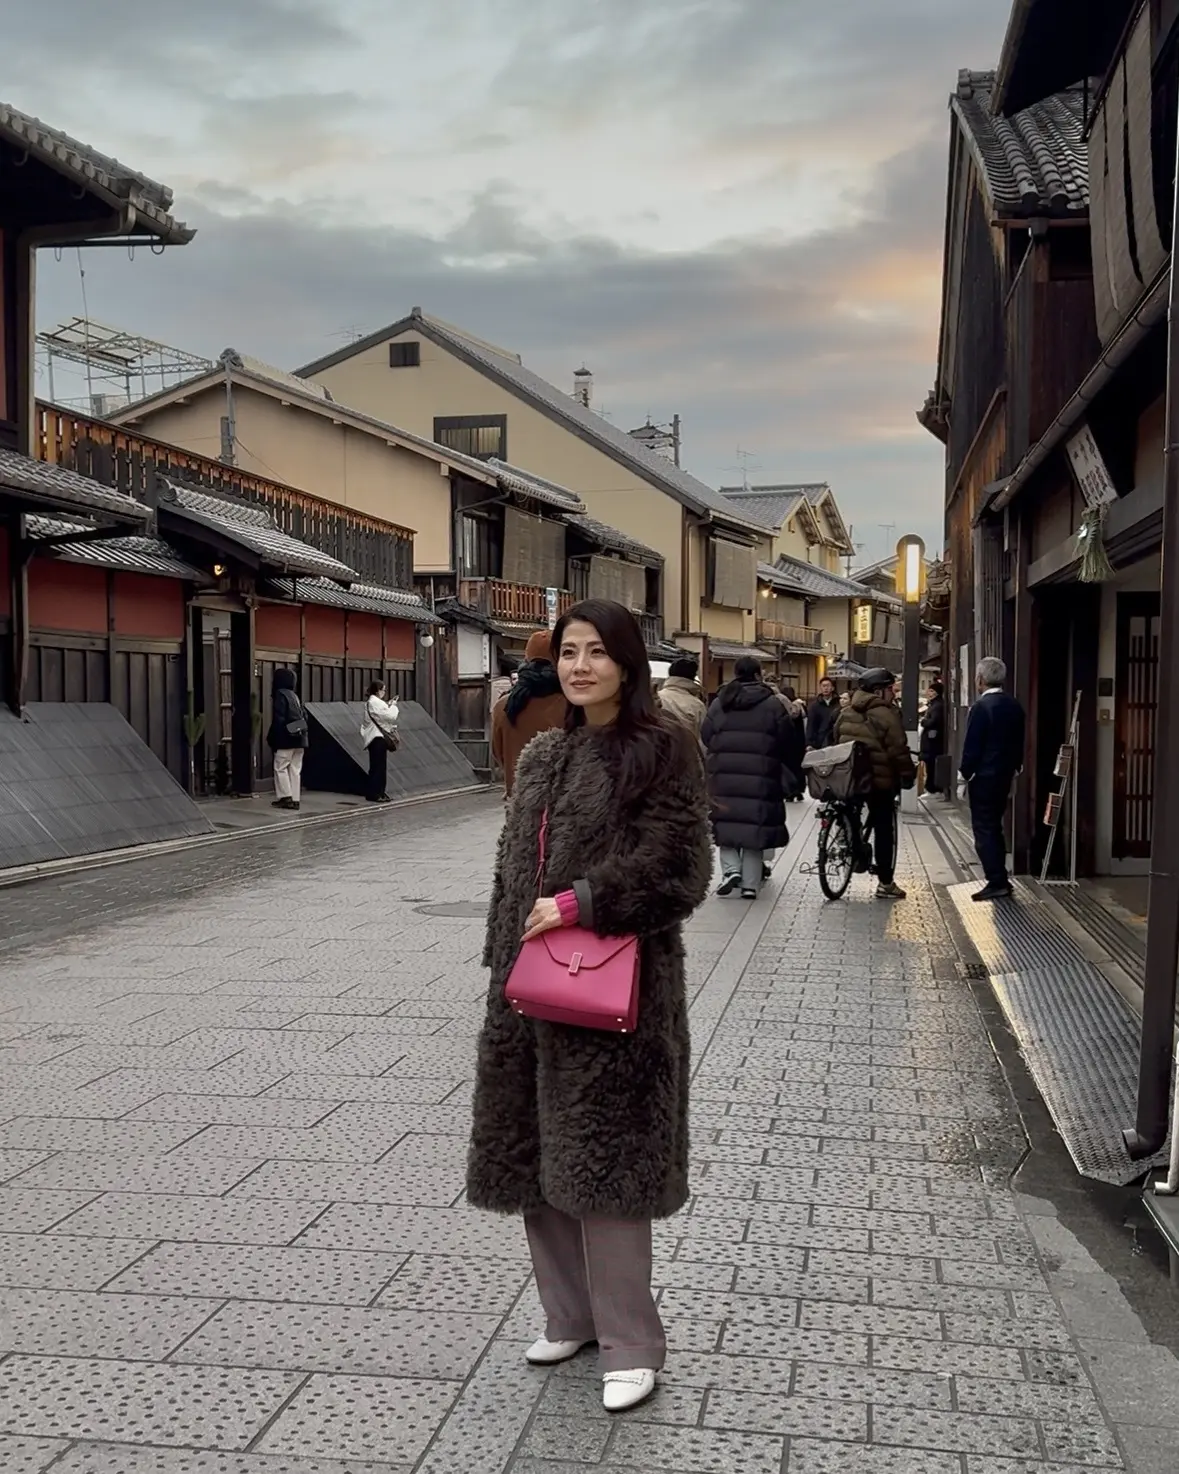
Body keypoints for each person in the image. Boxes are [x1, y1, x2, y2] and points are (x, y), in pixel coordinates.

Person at [468, 598, 712, 1415]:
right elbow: (511, 873)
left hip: (618, 991)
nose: (578, 666)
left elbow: (678, 869)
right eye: (568, 651)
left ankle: (632, 1344)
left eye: (596, 652)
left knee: (606, 1169)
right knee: (537, 1164)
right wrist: (501, 958)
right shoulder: (541, 755)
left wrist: (582, 901)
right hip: (529, 989)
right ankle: (568, 1317)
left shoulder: (660, 748)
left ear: (628, 662)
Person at [701, 656, 804, 900]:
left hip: (723, 774)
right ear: (758, 674)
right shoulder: (771, 704)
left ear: (735, 673)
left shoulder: (720, 702)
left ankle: (730, 871)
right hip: (761, 775)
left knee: (725, 824)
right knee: (754, 829)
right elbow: (787, 739)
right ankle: (749, 885)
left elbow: (706, 735)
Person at [835, 667, 915, 900]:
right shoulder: (887, 714)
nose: (894, 693)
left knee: (850, 810)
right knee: (883, 827)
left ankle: (852, 842)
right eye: (891, 689)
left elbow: (834, 739)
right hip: (879, 781)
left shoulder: (846, 711)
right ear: (879, 691)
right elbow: (898, 750)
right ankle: (885, 883)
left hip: (849, 778)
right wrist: (907, 775)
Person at [960, 656, 1026, 901]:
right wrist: (1016, 768)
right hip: (1005, 775)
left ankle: (996, 879)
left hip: (984, 777)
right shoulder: (1014, 705)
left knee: (984, 829)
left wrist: (963, 775)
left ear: (980, 679)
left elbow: (972, 746)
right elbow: (1019, 742)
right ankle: (1000, 878)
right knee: (995, 826)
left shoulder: (981, 707)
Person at [491, 630, 568, 796]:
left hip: (519, 804)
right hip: (562, 804)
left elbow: (498, 754)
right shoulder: (573, 705)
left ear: (526, 660)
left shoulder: (504, 706)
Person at [267, 668, 308, 811]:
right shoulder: (295, 696)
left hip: (286, 738)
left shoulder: (280, 695)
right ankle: (295, 798)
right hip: (300, 737)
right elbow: (304, 716)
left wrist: (275, 738)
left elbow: (279, 719)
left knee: (280, 766)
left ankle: (286, 797)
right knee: (295, 769)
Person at [359, 680, 400, 803]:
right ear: (377, 690)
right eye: (383, 690)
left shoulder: (373, 703)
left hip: (375, 737)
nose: (384, 692)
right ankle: (376, 793)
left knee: (378, 766)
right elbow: (390, 716)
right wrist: (393, 706)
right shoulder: (374, 702)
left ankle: (379, 792)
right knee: (378, 767)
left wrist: (388, 705)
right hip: (377, 737)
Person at [657, 656, 707, 735]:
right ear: (693, 678)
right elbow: (703, 738)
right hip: (687, 746)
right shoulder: (697, 705)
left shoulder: (656, 698)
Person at [778, 685, 807, 800]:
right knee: (798, 766)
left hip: (786, 742)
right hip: (799, 741)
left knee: (788, 767)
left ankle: (789, 791)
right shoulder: (800, 706)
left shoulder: (783, 708)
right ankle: (799, 790)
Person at [919, 679, 946, 795]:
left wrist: (924, 722)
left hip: (933, 741)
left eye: (930, 691)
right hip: (931, 741)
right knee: (930, 765)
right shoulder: (934, 705)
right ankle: (930, 786)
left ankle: (932, 787)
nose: (927, 693)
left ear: (936, 693)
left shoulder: (937, 706)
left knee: (931, 765)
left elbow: (933, 721)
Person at [806, 676, 841, 750]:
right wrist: (809, 743)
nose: (826, 688)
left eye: (828, 686)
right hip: (820, 741)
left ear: (832, 688)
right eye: (823, 686)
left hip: (836, 740)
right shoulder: (814, 706)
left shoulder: (839, 704)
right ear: (820, 688)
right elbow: (811, 725)